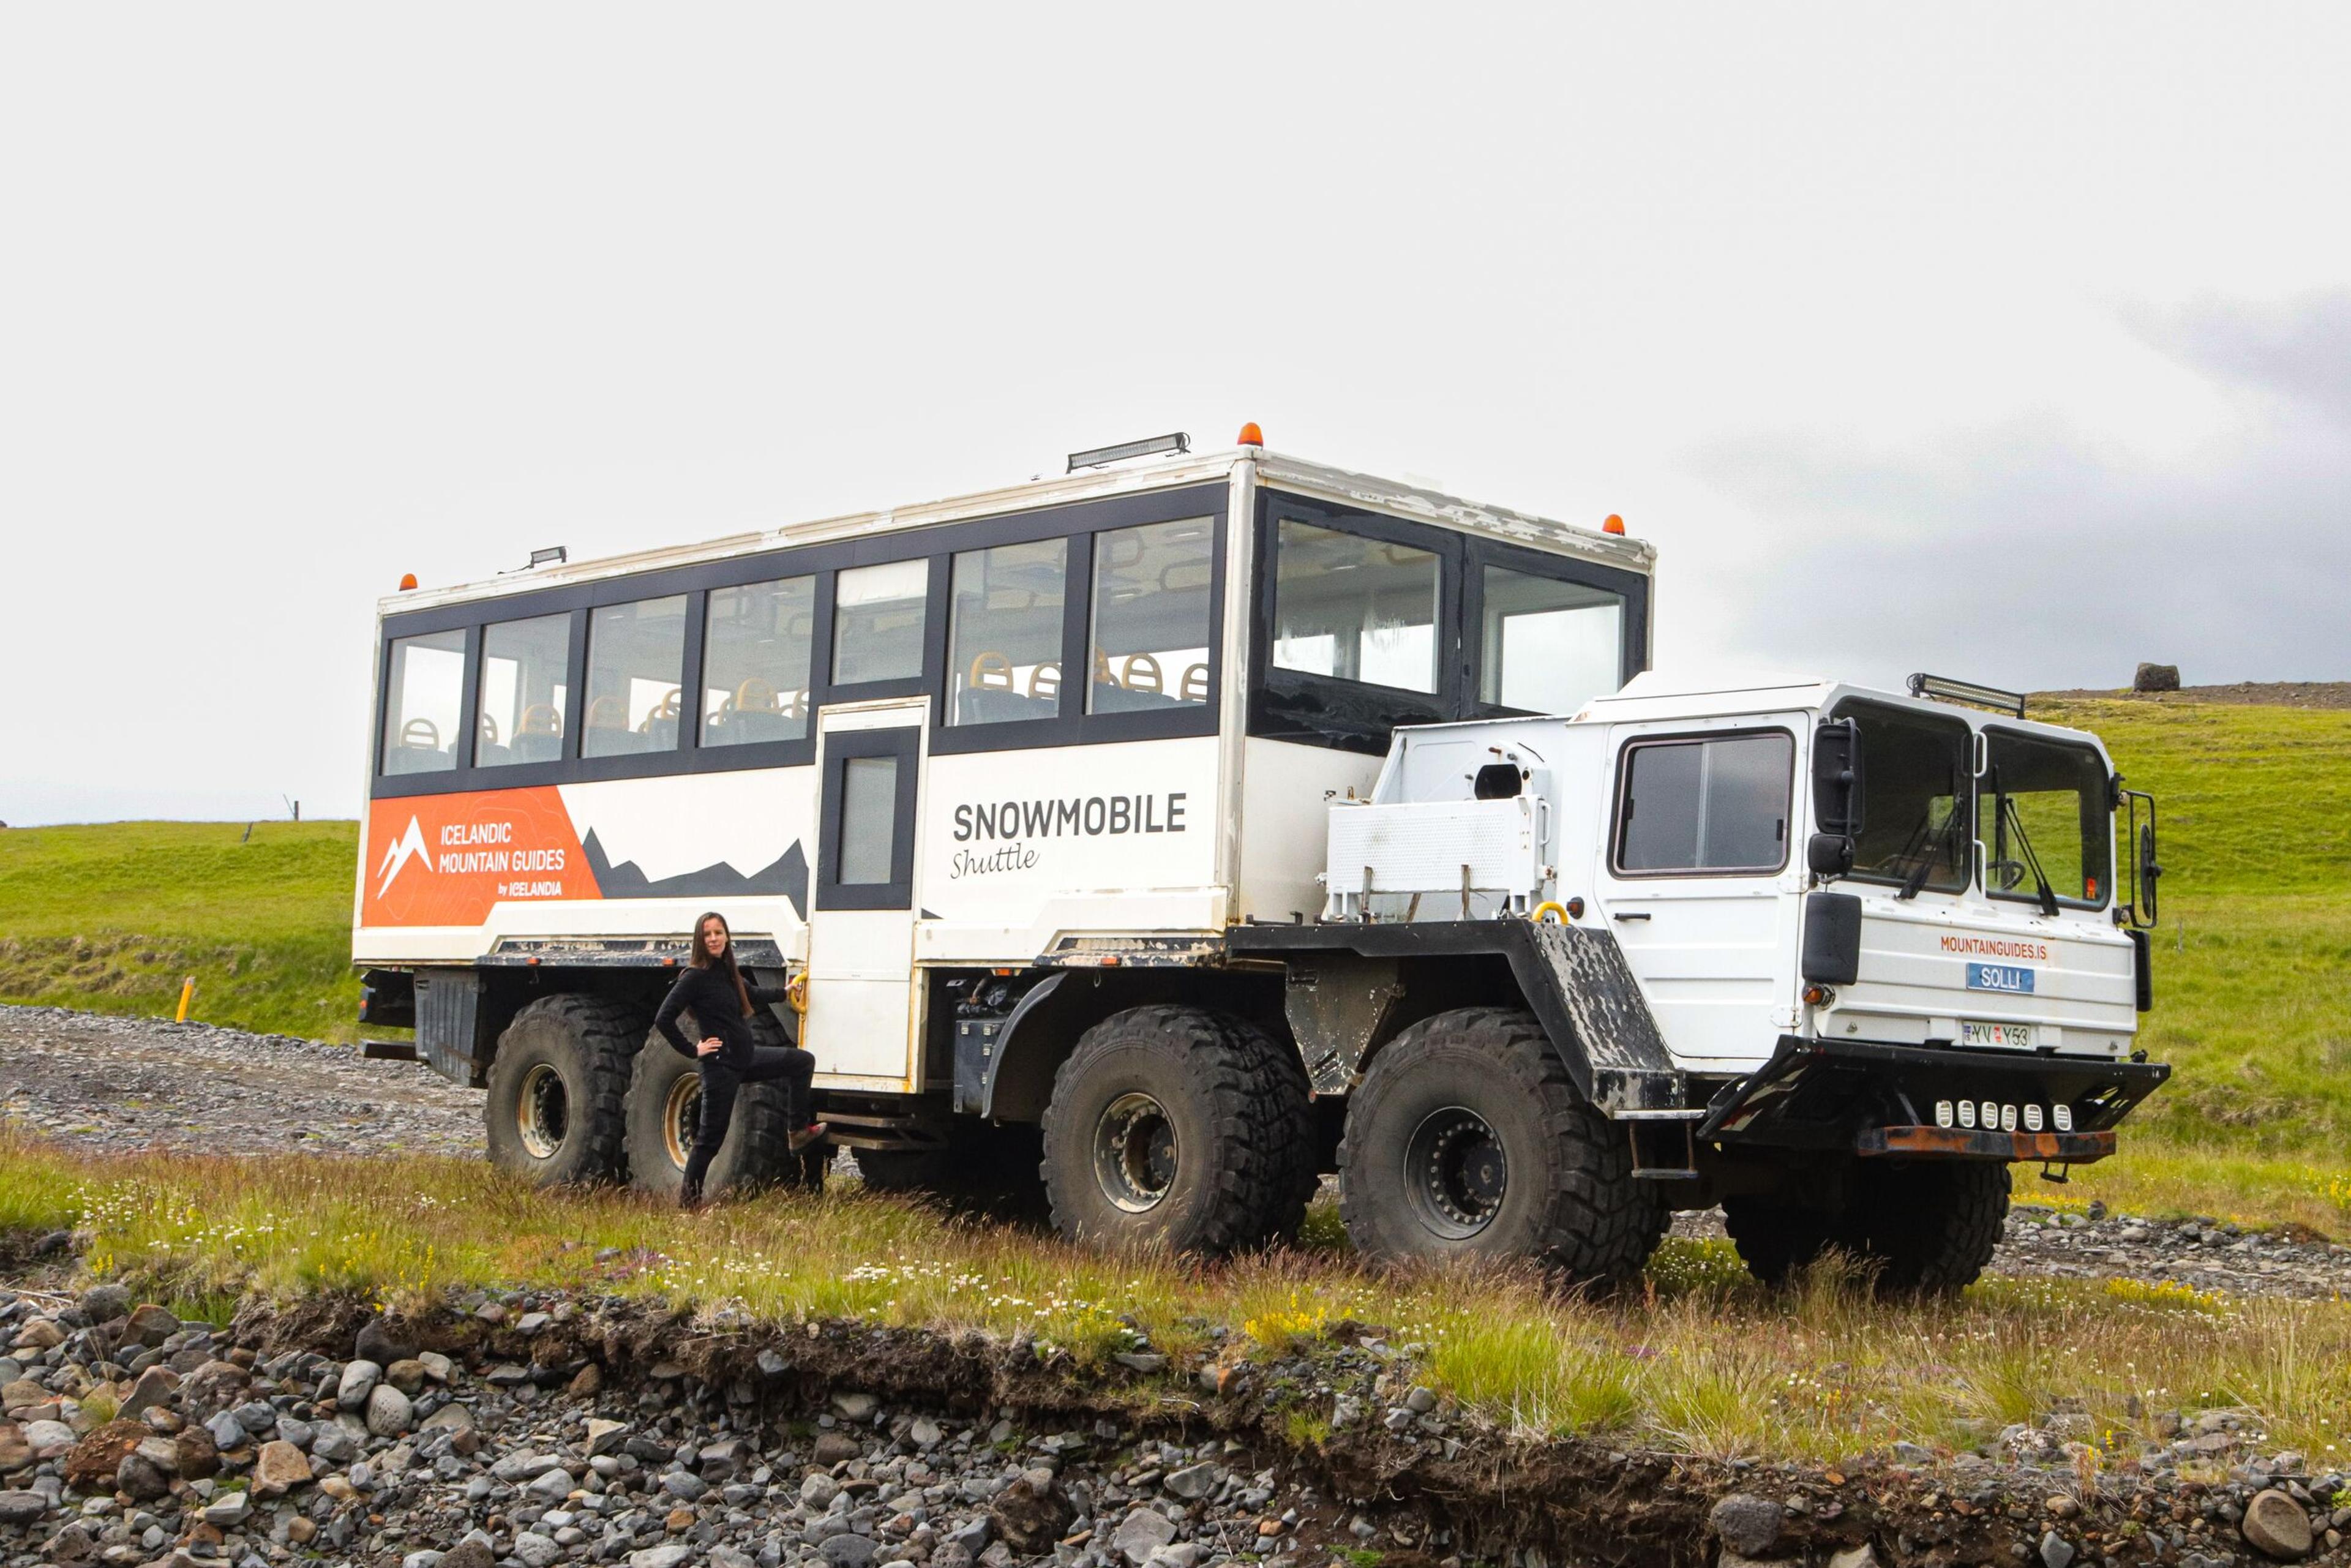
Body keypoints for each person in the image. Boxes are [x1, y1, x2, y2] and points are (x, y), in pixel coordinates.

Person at [653, 911, 824, 1207]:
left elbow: (753, 993)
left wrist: (785, 992)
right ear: (700, 940)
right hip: (721, 1067)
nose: (714, 939)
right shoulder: (694, 977)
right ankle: (688, 1205)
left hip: (746, 1059)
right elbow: (664, 1018)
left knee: (802, 1062)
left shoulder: (729, 972)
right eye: (707, 935)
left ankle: (797, 1132)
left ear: (727, 936)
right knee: (710, 1141)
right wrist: (694, 1050)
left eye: (718, 933)